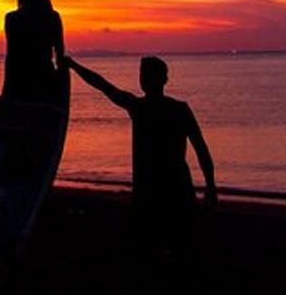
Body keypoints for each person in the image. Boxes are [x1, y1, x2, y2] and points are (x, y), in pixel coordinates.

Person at [68, 53, 216, 241]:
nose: (144, 80)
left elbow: (201, 149)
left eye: (147, 75)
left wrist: (211, 185)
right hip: (155, 191)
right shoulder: (149, 108)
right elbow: (102, 85)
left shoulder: (154, 108)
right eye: (143, 75)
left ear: (163, 80)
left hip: (171, 190)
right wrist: (74, 66)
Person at [0, 0, 66, 103]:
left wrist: (6, 93)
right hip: (45, 83)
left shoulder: (12, 19)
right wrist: (61, 91)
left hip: (19, 86)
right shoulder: (53, 17)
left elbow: (11, 59)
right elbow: (60, 57)